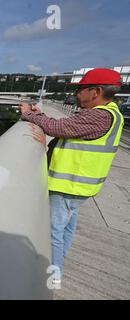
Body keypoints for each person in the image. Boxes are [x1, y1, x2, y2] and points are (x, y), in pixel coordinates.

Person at [19, 68, 124, 284]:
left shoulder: (99, 116)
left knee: (52, 233)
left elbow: (57, 127)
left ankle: (51, 278)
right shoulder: (111, 112)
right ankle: (59, 263)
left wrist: (28, 114)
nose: (76, 94)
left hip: (69, 185)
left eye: (80, 89)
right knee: (66, 227)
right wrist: (39, 115)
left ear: (95, 91)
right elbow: (66, 127)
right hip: (78, 186)